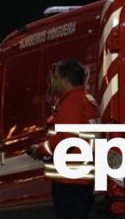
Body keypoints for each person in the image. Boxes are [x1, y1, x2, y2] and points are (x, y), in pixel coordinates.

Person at [29, 59, 99, 219]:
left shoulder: (71, 102)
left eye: (56, 76)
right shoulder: (88, 100)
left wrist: (40, 150)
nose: (53, 80)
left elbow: (66, 138)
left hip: (70, 179)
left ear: (65, 80)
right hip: (84, 177)